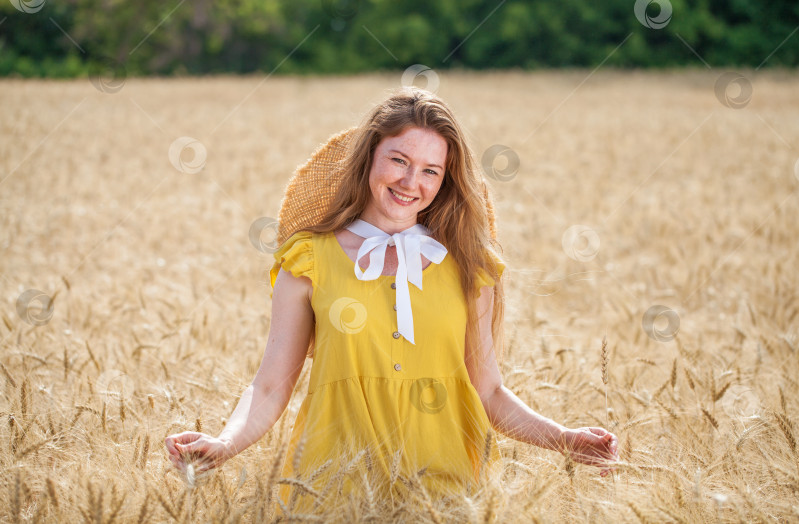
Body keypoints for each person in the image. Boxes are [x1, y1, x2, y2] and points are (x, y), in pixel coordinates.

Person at [164, 87, 619, 515]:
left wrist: (565, 439)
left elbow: (489, 393)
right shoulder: (307, 260)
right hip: (331, 489)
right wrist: (224, 444)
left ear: (445, 181)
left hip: (447, 492)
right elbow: (269, 386)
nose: (410, 182)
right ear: (368, 159)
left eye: (430, 171)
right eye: (398, 160)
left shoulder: (467, 267)